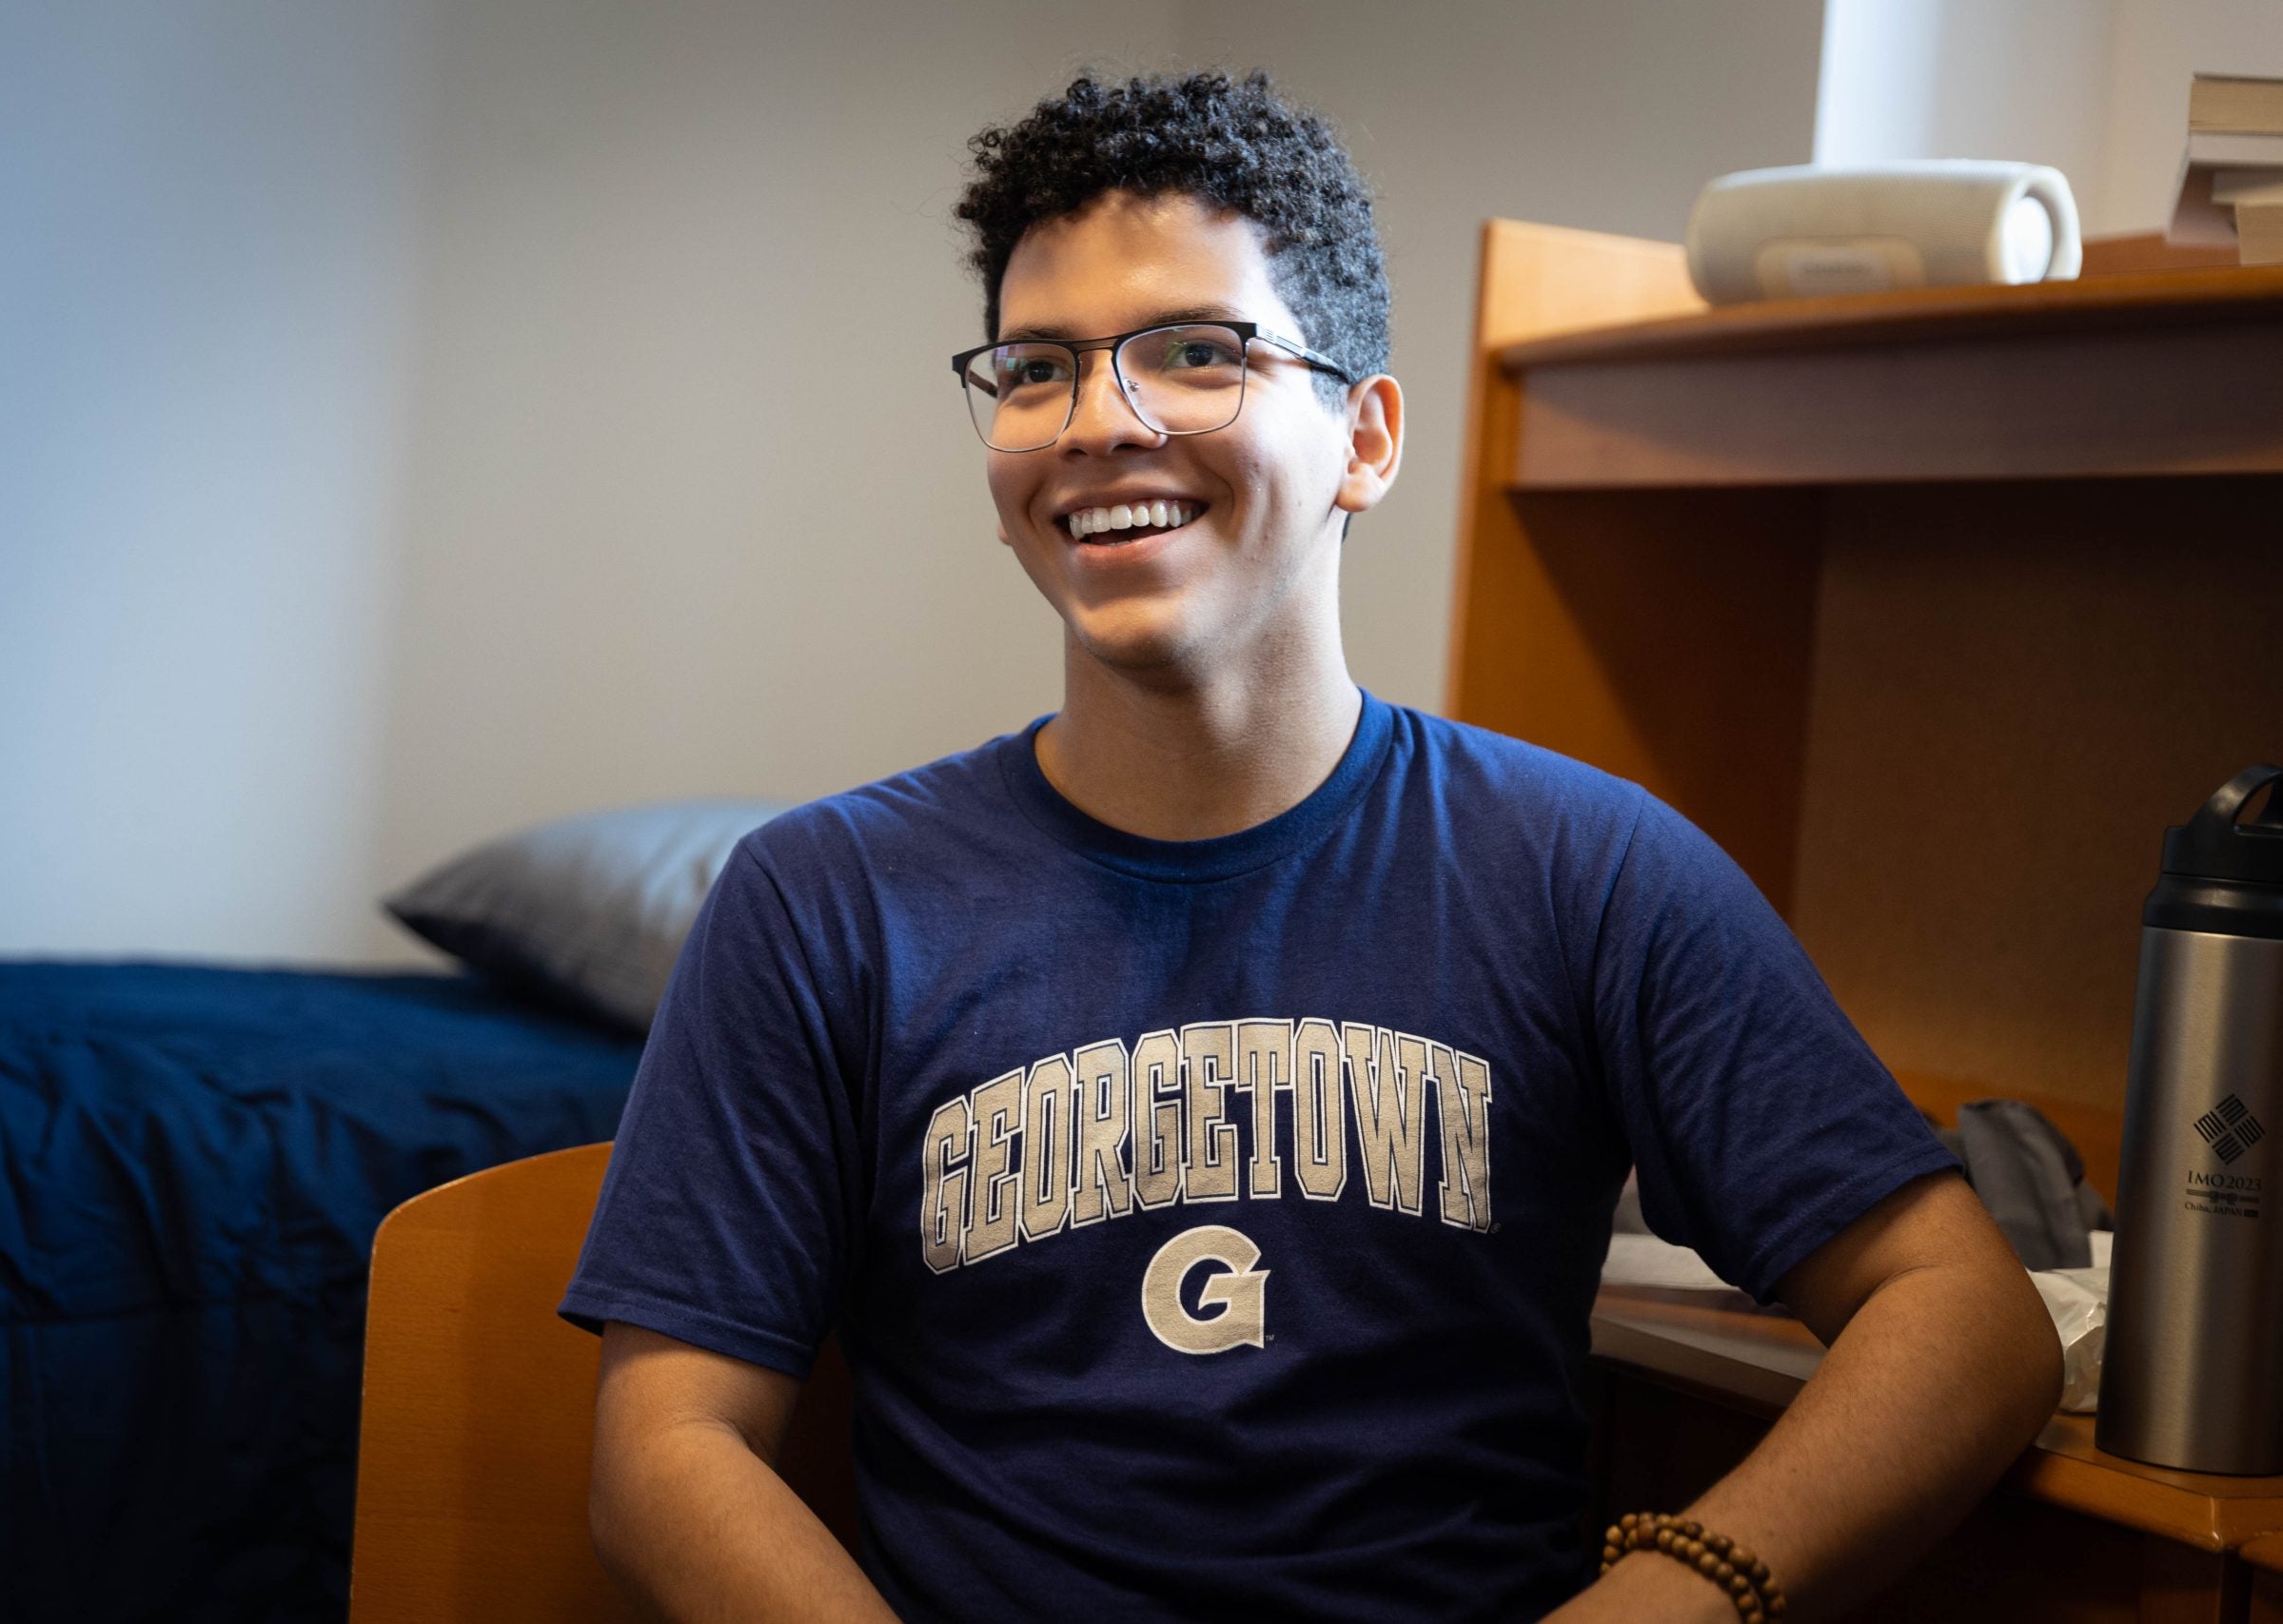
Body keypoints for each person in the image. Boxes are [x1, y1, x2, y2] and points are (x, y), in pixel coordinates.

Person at [561, 70, 2061, 1623]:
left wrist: (1680, 1594)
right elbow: (670, 1445)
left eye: (1197, 353)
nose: (1100, 423)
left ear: (1366, 436)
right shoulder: (823, 904)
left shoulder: (1586, 871)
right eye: (1036, 369)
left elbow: (1964, 1315)